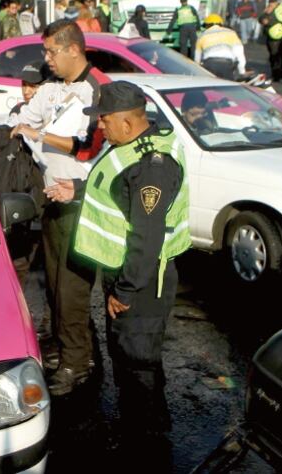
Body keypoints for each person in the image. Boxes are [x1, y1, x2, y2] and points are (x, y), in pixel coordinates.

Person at [73, 81, 190, 465]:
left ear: (126, 121)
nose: (99, 127)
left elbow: (147, 237)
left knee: (136, 362)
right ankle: (146, 426)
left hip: (140, 282)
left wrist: (124, 291)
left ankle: (145, 445)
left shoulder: (151, 168)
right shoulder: (134, 145)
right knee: (133, 359)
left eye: (103, 119)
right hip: (130, 275)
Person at [9, 21, 109, 395]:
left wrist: (41, 134)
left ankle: (77, 364)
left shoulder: (97, 88)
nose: (46, 59)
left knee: (71, 288)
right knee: (53, 284)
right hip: (53, 195)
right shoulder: (53, 88)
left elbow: (90, 146)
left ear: (72, 49)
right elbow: (23, 119)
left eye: (52, 51)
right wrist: (32, 127)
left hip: (80, 199)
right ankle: (68, 351)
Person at [194, 14, 247, 80]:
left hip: (209, 64)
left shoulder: (202, 36)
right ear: (221, 24)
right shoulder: (231, 33)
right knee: (225, 88)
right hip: (227, 64)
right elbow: (239, 54)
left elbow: (197, 58)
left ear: (207, 25)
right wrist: (242, 71)